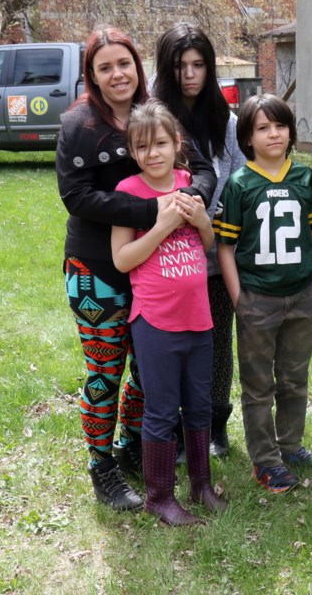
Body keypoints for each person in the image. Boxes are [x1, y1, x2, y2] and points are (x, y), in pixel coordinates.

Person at [56, 26, 214, 511]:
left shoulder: (158, 113)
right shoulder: (78, 124)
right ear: (92, 75)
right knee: (106, 370)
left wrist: (191, 200)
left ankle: (134, 447)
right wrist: (155, 214)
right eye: (104, 67)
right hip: (98, 270)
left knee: (150, 372)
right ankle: (101, 465)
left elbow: (203, 167)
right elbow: (76, 195)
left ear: (137, 65)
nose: (117, 74)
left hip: (162, 273)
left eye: (123, 63)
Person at [112, 100, 226, 525]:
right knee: (161, 410)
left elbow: (209, 244)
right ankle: (159, 496)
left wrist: (201, 220)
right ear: (133, 151)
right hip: (155, 320)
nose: (152, 153)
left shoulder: (188, 184)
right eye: (142, 147)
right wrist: (159, 227)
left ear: (177, 143)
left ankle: (201, 486)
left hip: (198, 316)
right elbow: (122, 259)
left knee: (199, 406)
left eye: (160, 143)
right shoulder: (128, 192)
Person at [216, 94, 312, 493]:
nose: (273, 133)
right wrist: (238, 296)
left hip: (300, 295)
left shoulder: (305, 178)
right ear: (247, 137)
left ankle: (290, 445)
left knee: (295, 378)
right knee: (258, 384)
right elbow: (226, 245)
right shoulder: (240, 183)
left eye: (279, 125)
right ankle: (265, 461)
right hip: (258, 298)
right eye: (262, 127)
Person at [153, 23, 247, 458]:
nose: (190, 75)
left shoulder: (225, 123)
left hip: (212, 255)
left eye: (198, 65)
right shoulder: (153, 117)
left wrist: (219, 226)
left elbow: (240, 180)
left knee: (216, 344)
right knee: (169, 348)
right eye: (180, 66)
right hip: (163, 259)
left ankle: (215, 424)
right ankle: (168, 429)